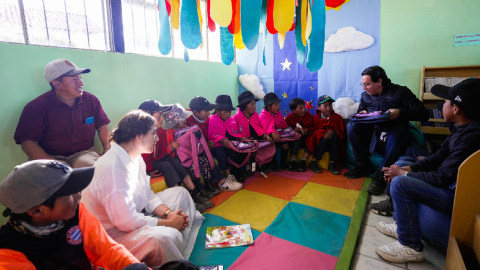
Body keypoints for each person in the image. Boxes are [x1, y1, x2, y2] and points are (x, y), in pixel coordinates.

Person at [374, 79, 480, 263]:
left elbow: (441, 178)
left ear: (456, 109)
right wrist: (409, 168)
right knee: (404, 161)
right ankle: (402, 225)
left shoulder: (472, 137)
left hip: (453, 195)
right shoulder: (460, 129)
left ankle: (410, 245)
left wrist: (403, 174)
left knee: (400, 182)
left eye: (446, 102)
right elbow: (438, 157)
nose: (441, 106)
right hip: (446, 184)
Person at [81, 110, 205, 267]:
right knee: (165, 237)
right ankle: (175, 246)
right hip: (114, 233)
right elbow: (126, 222)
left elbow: (148, 196)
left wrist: (169, 214)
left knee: (181, 193)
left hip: (135, 216)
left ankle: (176, 242)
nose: (157, 138)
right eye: (154, 133)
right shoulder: (112, 167)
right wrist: (168, 223)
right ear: (138, 136)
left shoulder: (135, 156)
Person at [0, 160, 148, 270]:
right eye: (69, 193)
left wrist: (134, 266)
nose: (79, 195)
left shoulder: (76, 212)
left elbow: (106, 250)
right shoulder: (7, 249)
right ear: (37, 211)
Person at [344, 66, 429, 196]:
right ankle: (362, 166)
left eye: (367, 84)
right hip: (373, 134)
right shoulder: (365, 96)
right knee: (351, 125)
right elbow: (359, 113)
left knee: (397, 132)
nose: (364, 88)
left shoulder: (400, 92)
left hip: (394, 133)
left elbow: (423, 113)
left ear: (379, 81)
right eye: (363, 84)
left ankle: (381, 175)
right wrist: (362, 113)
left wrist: (400, 112)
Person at [14, 59, 111, 168]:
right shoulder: (36, 107)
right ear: (57, 84)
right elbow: (28, 143)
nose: (81, 83)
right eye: (74, 79)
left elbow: (102, 125)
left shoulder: (91, 100)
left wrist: (108, 149)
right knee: (52, 177)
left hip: (84, 154)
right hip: (48, 156)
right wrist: (53, 162)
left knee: (91, 170)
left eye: (80, 78)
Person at [139, 100, 212, 212]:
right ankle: (182, 199)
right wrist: (147, 170)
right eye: (159, 116)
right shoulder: (140, 134)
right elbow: (140, 157)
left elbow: (163, 153)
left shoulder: (161, 132)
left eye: (162, 116)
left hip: (157, 161)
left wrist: (171, 148)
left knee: (175, 161)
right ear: (147, 115)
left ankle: (195, 193)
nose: (162, 119)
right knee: (167, 164)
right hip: (146, 165)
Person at [208, 95, 249, 185]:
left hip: (229, 144)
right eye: (226, 112)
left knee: (239, 151)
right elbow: (212, 135)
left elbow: (234, 132)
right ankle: (228, 174)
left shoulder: (231, 120)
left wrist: (240, 137)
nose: (229, 114)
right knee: (220, 152)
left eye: (230, 112)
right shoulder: (212, 120)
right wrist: (222, 140)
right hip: (217, 145)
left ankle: (237, 172)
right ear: (217, 111)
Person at [233, 91, 275, 175]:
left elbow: (258, 127)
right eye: (252, 104)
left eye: (254, 104)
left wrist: (264, 135)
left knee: (266, 144)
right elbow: (235, 132)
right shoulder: (236, 118)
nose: (254, 107)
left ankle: (260, 164)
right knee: (248, 150)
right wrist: (241, 137)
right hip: (244, 141)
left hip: (254, 138)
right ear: (244, 105)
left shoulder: (255, 115)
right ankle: (248, 167)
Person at [310, 95, 347, 175]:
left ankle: (332, 164)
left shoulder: (338, 118)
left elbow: (343, 133)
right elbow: (312, 133)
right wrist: (323, 134)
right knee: (324, 136)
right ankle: (313, 161)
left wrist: (333, 132)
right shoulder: (315, 119)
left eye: (330, 105)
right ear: (319, 107)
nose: (328, 108)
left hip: (335, 143)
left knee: (335, 134)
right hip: (321, 143)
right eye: (325, 105)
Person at [259, 92, 291, 171]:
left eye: (278, 104)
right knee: (271, 143)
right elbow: (264, 129)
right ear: (269, 107)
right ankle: (274, 164)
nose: (279, 107)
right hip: (269, 138)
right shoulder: (263, 116)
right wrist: (272, 133)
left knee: (285, 143)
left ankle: (283, 163)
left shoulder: (278, 113)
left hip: (280, 136)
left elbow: (283, 125)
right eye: (276, 105)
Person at [285, 98, 318, 172]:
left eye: (304, 107)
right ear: (293, 110)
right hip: (295, 141)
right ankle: (293, 160)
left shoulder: (309, 116)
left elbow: (314, 128)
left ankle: (303, 160)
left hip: (307, 138)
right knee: (297, 135)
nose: (304, 110)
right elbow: (285, 131)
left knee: (312, 138)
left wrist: (307, 131)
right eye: (300, 108)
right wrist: (293, 131)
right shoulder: (289, 118)